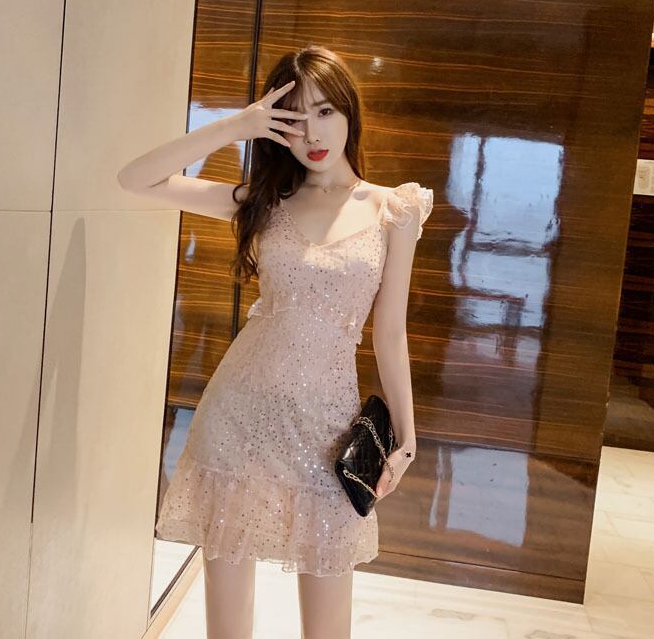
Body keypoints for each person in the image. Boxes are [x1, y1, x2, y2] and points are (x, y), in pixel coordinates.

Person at [117, 45, 433, 639]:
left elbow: (390, 334)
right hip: (238, 417)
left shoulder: (394, 209)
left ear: (350, 113)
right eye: (294, 118)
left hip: (327, 428)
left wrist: (407, 439)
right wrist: (237, 125)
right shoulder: (263, 205)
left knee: (327, 627)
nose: (312, 133)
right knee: (228, 625)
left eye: (325, 112)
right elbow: (135, 178)